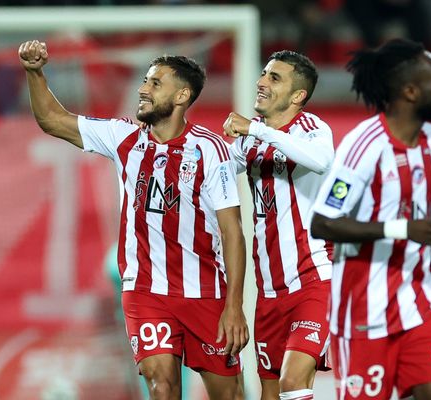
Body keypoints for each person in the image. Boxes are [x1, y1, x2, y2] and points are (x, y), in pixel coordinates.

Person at [18, 40, 249, 400]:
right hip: (145, 290)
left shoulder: (210, 149)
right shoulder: (124, 136)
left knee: (229, 394)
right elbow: (53, 120)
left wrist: (234, 306)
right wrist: (35, 72)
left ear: (181, 96)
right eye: (145, 80)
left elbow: (232, 231)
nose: (143, 88)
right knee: (161, 385)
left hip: (204, 291)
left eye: (155, 83)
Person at [310, 38, 431, 400]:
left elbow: (419, 210)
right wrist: (402, 231)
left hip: (419, 299)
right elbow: (323, 223)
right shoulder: (365, 145)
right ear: (410, 91)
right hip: (364, 311)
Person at [223, 50, 334, 400]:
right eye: (263, 74)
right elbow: (218, 174)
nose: (261, 82)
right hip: (269, 292)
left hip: (314, 281)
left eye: (274, 77)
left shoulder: (312, 129)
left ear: (298, 95)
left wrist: (256, 128)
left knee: (292, 384)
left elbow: (320, 160)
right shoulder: (251, 140)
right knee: (270, 394)